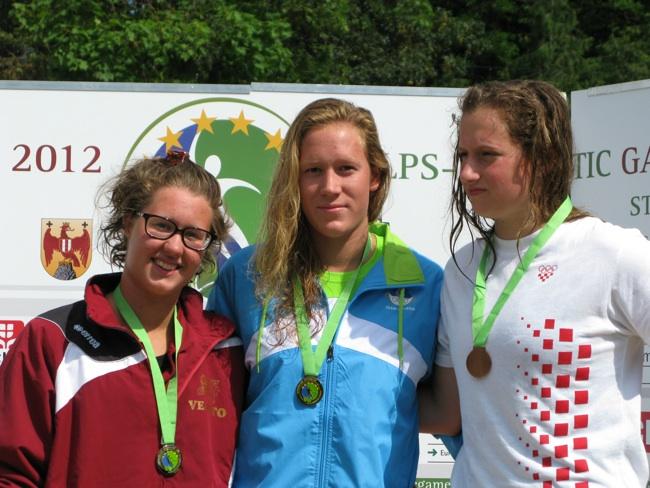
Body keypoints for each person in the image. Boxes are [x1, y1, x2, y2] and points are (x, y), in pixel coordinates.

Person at [207, 97, 458, 487]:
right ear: (294, 179)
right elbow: (213, 410)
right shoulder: (247, 274)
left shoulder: (424, 284)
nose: (329, 187)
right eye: (313, 171)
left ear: (375, 176)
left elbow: (448, 414)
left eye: (346, 169)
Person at [430, 80, 650, 486]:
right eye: (462, 155)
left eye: (486, 155)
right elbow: (445, 412)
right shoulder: (462, 269)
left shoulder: (613, 254)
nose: (466, 173)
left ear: (542, 158)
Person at [0, 151, 245, 487]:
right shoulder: (53, 340)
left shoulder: (226, 351)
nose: (175, 247)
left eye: (193, 235)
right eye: (161, 225)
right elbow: (11, 475)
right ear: (128, 223)